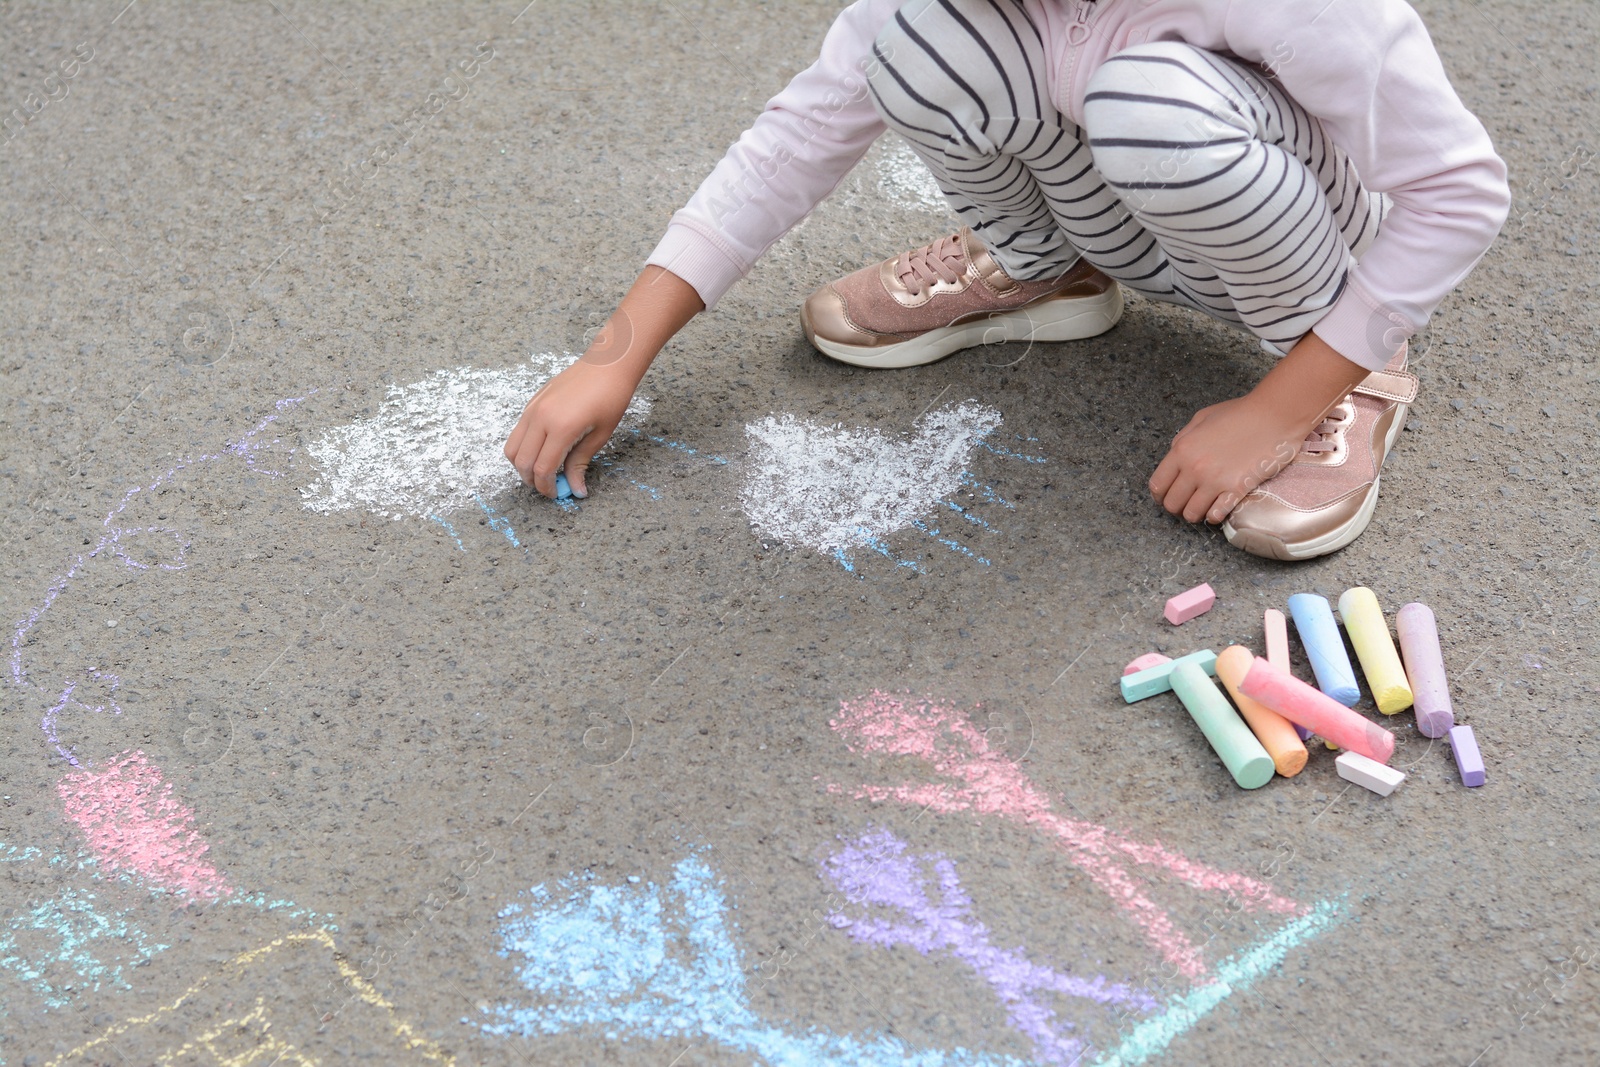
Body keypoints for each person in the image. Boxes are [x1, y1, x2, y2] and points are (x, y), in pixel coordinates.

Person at [503, 0, 1509, 560]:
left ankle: (1340, 374)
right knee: (924, 46)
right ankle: (1049, 267)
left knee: (1147, 99)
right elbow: (799, 135)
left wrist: (1282, 402)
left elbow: (1458, 193)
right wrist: (618, 352)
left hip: (1298, 238)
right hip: (1119, 202)